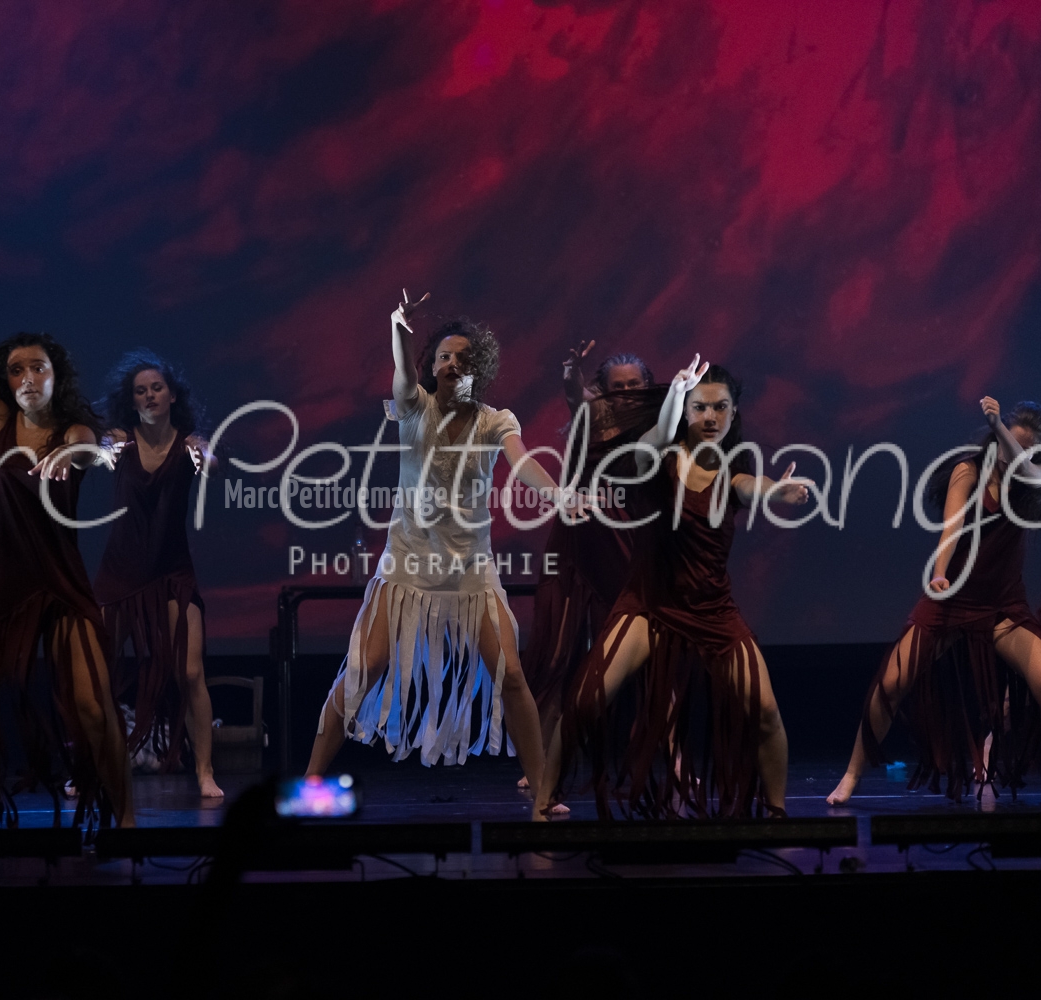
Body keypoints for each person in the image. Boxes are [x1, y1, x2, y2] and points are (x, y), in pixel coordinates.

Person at [304, 290, 587, 813]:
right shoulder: (415, 407)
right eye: (442, 357)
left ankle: (543, 792)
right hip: (407, 567)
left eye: (462, 357)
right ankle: (309, 785)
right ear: (430, 367)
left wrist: (559, 495)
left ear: (479, 368)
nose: (452, 364)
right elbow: (401, 376)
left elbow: (523, 462)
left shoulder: (494, 421)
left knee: (511, 675)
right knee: (362, 671)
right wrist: (398, 328)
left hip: (470, 574)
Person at [540, 356, 811, 819]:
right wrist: (676, 396)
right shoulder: (657, 459)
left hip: (712, 610)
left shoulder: (733, 468)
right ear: (685, 411)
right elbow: (656, 438)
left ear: (733, 413)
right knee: (585, 703)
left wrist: (777, 492)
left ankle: (777, 813)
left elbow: (751, 486)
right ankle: (542, 804)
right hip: (649, 605)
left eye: (720, 408)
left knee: (765, 713)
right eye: (699, 407)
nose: (710, 417)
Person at [826, 397, 1041, 805]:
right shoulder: (968, 470)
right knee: (891, 685)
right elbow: (951, 528)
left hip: (1003, 607)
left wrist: (999, 428)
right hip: (952, 601)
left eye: (1024, 448)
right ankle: (851, 774)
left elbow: (1032, 471)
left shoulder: (1033, 476)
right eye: (1008, 442)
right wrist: (939, 573)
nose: (1012, 453)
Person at [0, 333, 132, 828]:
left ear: (56, 377)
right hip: (0, 586)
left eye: (38, 368)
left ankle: (126, 823)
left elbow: (91, 450)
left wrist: (65, 456)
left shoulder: (74, 431)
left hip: (60, 584)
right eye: (17, 370)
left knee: (94, 709)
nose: (28, 379)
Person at [519, 344, 662, 775]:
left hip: (625, 545)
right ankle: (540, 760)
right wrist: (571, 371)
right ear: (603, 389)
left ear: (647, 385)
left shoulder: (657, 423)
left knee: (644, 657)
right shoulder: (593, 413)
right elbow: (573, 394)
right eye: (618, 386)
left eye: (634, 385)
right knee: (556, 656)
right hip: (577, 544)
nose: (627, 393)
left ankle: (662, 756)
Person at [94, 349, 222, 798]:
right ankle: (90, 768)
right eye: (140, 391)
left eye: (156, 388)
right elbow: (100, 454)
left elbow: (211, 462)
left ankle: (204, 771)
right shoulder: (120, 441)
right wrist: (102, 453)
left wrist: (205, 458)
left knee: (190, 672)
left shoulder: (189, 444)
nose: (149, 395)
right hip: (120, 573)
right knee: (98, 673)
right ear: (131, 400)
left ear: (172, 395)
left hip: (171, 572)